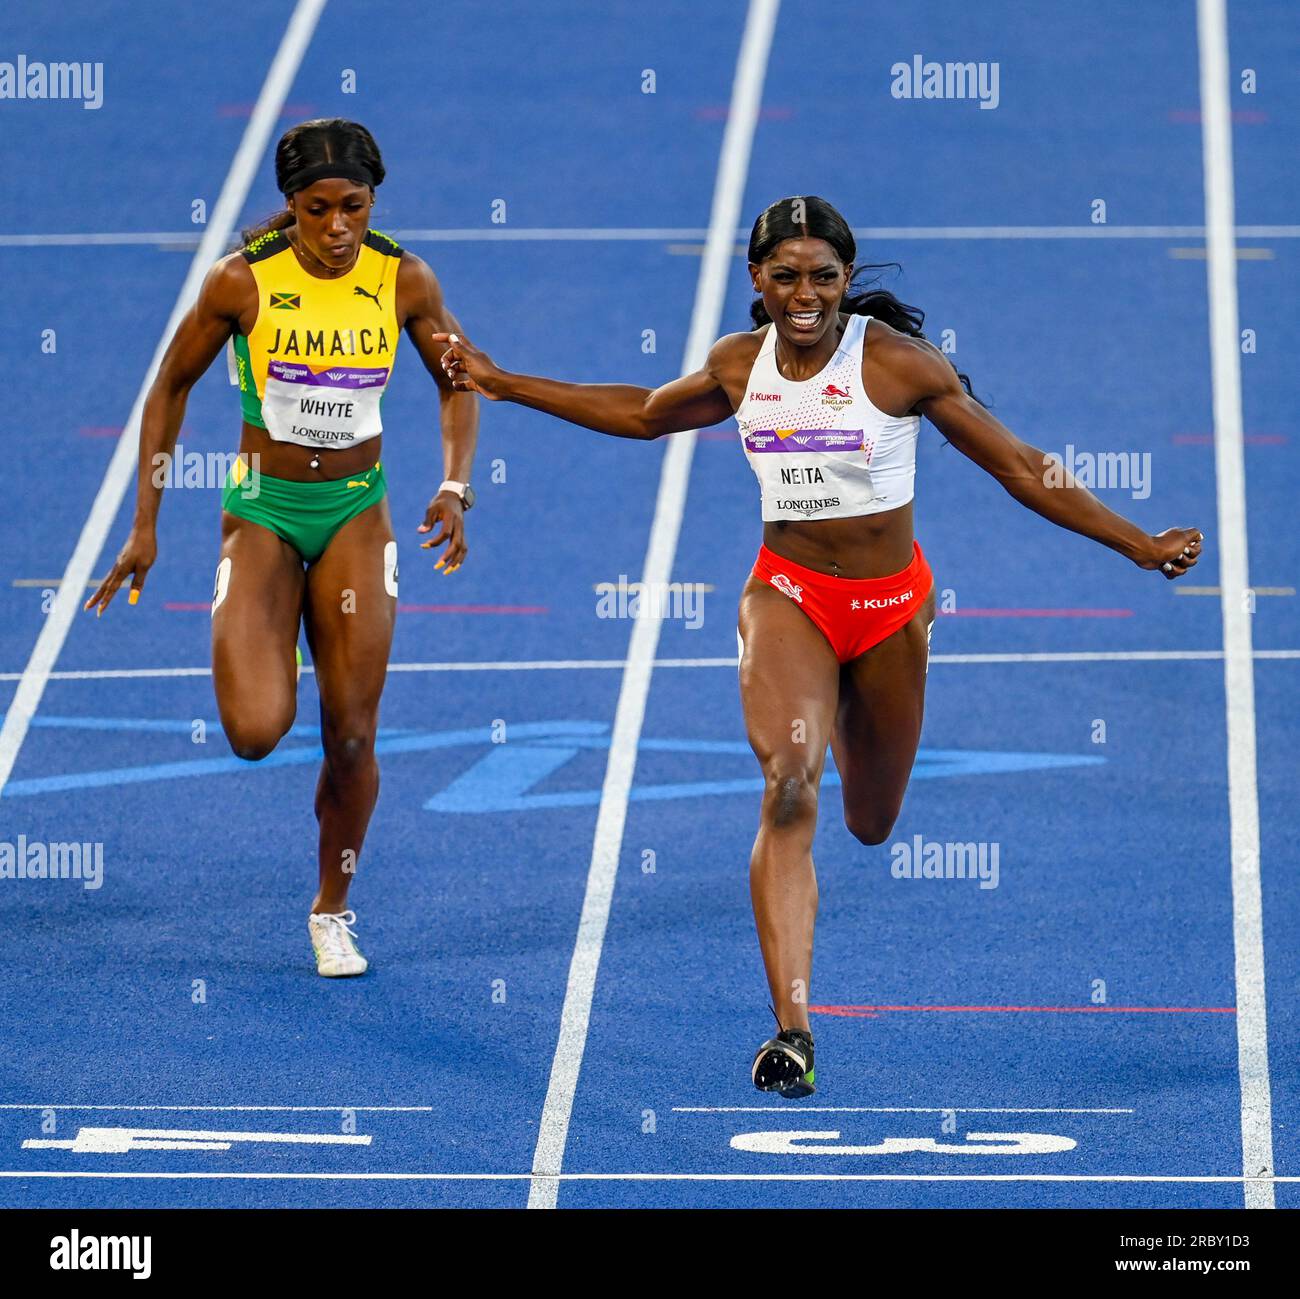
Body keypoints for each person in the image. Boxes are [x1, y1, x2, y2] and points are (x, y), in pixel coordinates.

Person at [432, 194, 1203, 1097]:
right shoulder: (735, 364)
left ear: (848, 279)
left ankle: (844, 710)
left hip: (890, 610)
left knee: (871, 822)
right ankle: (793, 1029)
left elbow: (1020, 466)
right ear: (756, 279)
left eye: (824, 276)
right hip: (788, 598)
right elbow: (643, 410)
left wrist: (1138, 543)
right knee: (790, 785)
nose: (806, 293)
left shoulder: (898, 366)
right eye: (786, 275)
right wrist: (502, 379)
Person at [84, 118, 479, 978]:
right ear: (291, 207)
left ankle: (332, 908)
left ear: (372, 203)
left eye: (354, 208)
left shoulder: (403, 277)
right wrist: (145, 525)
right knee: (257, 730)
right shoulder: (241, 282)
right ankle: (276, 632)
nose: (338, 229)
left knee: (351, 735)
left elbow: (459, 381)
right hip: (263, 513)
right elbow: (170, 386)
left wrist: (454, 482)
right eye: (317, 209)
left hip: (353, 514)